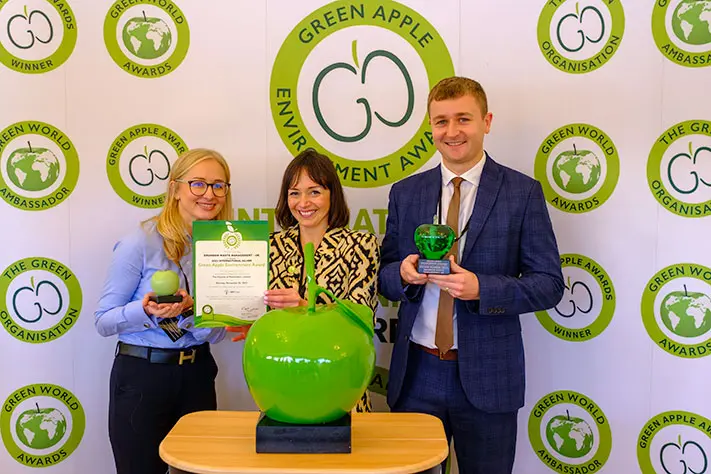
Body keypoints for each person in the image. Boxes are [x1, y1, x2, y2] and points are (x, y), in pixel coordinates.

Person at [378, 77, 564, 474]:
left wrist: (483, 288)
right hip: (416, 376)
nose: (452, 131)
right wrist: (405, 275)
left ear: (487, 121)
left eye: (463, 119)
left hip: (489, 377)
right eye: (441, 121)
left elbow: (549, 284)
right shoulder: (405, 192)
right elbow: (384, 275)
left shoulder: (522, 192)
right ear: (431, 127)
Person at [95, 148, 233, 474]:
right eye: (197, 184)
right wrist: (146, 311)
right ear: (175, 189)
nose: (209, 194)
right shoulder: (139, 242)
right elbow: (103, 321)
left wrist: (190, 310)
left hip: (198, 374)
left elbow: (216, 333)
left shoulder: (223, 249)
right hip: (142, 377)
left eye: (218, 185)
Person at [232, 148, 379, 412]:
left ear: (332, 194)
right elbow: (260, 310)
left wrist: (305, 306)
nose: (304, 203)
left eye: (314, 191)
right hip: (280, 386)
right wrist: (251, 323)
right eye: (294, 193)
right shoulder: (270, 246)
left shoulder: (360, 245)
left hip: (340, 386)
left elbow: (361, 319)